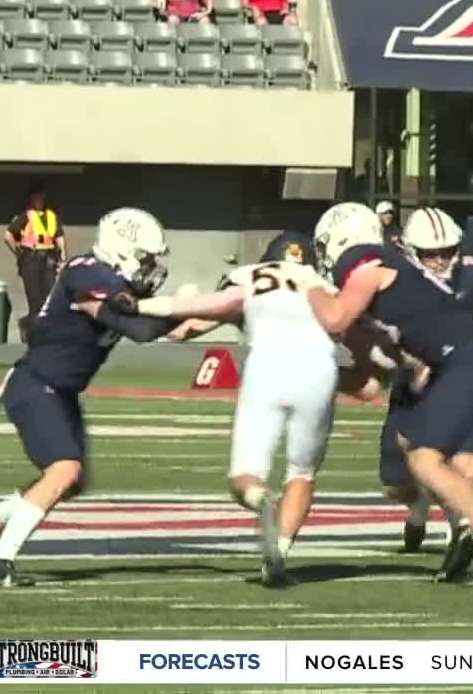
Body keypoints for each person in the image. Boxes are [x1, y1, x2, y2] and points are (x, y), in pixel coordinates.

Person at [306, 202, 473, 588]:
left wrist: (305, 287)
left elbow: (335, 317)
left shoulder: (369, 267)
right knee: (412, 449)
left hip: (467, 362)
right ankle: (468, 533)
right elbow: (372, 380)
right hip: (454, 365)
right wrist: (322, 373)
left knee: (427, 461)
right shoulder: (390, 276)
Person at [0, 208, 174, 587]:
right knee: (64, 471)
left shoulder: (105, 280)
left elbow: (165, 328)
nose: (149, 267)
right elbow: (142, 329)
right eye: (145, 257)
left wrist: (226, 307)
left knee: (72, 481)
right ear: (123, 249)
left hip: (60, 391)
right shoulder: (86, 271)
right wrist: (181, 308)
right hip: (38, 384)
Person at [128, 231, 338, 587]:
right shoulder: (322, 285)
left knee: (244, 474)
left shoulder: (248, 277)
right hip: (320, 370)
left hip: (267, 366)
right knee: (302, 472)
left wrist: (143, 307)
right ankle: (280, 552)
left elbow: (189, 326)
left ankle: (259, 499)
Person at [379, 208, 473, 583]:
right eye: (430, 253)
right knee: (395, 482)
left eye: (446, 250)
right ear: (411, 251)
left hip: (458, 375)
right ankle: (421, 509)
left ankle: (465, 534)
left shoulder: (471, 275)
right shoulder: (392, 276)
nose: (440, 260)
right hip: (413, 382)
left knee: (464, 468)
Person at [3, 182, 66, 342]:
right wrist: (18, 252)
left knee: (49, 299)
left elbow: (59, 236)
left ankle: (44, 332)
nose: (39, 199)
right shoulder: (26, 216)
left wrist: (63, 258)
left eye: (41, 196)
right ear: (31, 198)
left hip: (49, 260)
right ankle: (32, 333)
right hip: (31, 261)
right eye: (36, 197)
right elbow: (8, 235)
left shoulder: (52, 216)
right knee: (35, 300)